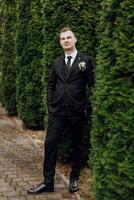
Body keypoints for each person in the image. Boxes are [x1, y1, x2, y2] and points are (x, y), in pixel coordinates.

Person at [27, 26, 94, 194]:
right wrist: (50, 105)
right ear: (60, 42)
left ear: (75, 39)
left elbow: (93, 84)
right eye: (63, 38)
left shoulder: (85, 61)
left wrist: (87, 105)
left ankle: (74, 179)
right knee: (50, 144)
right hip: (57, 113)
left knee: (76, 146)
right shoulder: (57, 62)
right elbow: (51, 85)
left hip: (76, 113)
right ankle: (47, 182)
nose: (66, 40)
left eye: (68, 37)